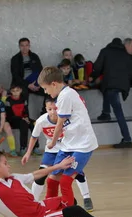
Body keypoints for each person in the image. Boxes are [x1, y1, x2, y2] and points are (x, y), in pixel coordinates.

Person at [0, 150, 132, 217]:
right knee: (75, 210)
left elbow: (36, 174)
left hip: (41, 208)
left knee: (69, 201)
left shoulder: (13, 178)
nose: (9, 165)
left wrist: (59, 166)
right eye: (5, 163)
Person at [37, 66, 98, 209]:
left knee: (65, 182)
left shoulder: (65, 96)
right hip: (68, 144)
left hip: (82, 145)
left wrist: (52, 143)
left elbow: (59, 123)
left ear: (54, 84)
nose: (45, 92)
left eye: (46, 89)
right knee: (52, 182)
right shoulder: (66, 95)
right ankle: (49, 213)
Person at [22, 98, 94, 211]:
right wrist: (28, 153)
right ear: (46, 109)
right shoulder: (41, 121)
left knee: (77, 174)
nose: (53, 112)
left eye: (55, 109)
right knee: (43, 177)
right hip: (51, 151)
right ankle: (34, 202)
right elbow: (34, 137)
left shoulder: (67, 118)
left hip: (68, 149)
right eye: (49, 109)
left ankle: (86, 197)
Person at [90, 38, 132, 148]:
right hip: (122, 85)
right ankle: (105, 113)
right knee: (106, 90)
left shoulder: (105, 51)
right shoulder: (125, 54)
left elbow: (97, 67)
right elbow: (131, 73)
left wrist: (93, 77)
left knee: (118, 112)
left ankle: (127, 139)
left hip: (111, 84)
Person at [6, 84, 36, 155]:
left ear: (21, 91)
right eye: (13, 91)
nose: (15, 93)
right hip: (13, 121)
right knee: (24, 123)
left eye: (17, 91)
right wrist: (23, 118)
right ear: (11, 92)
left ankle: (35, 147)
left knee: (34, 124)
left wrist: (26, 118)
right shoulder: (8, 100)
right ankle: (23, 147)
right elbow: (9, 116)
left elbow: (26, 112)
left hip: (23, 119)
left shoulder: (23, 99)